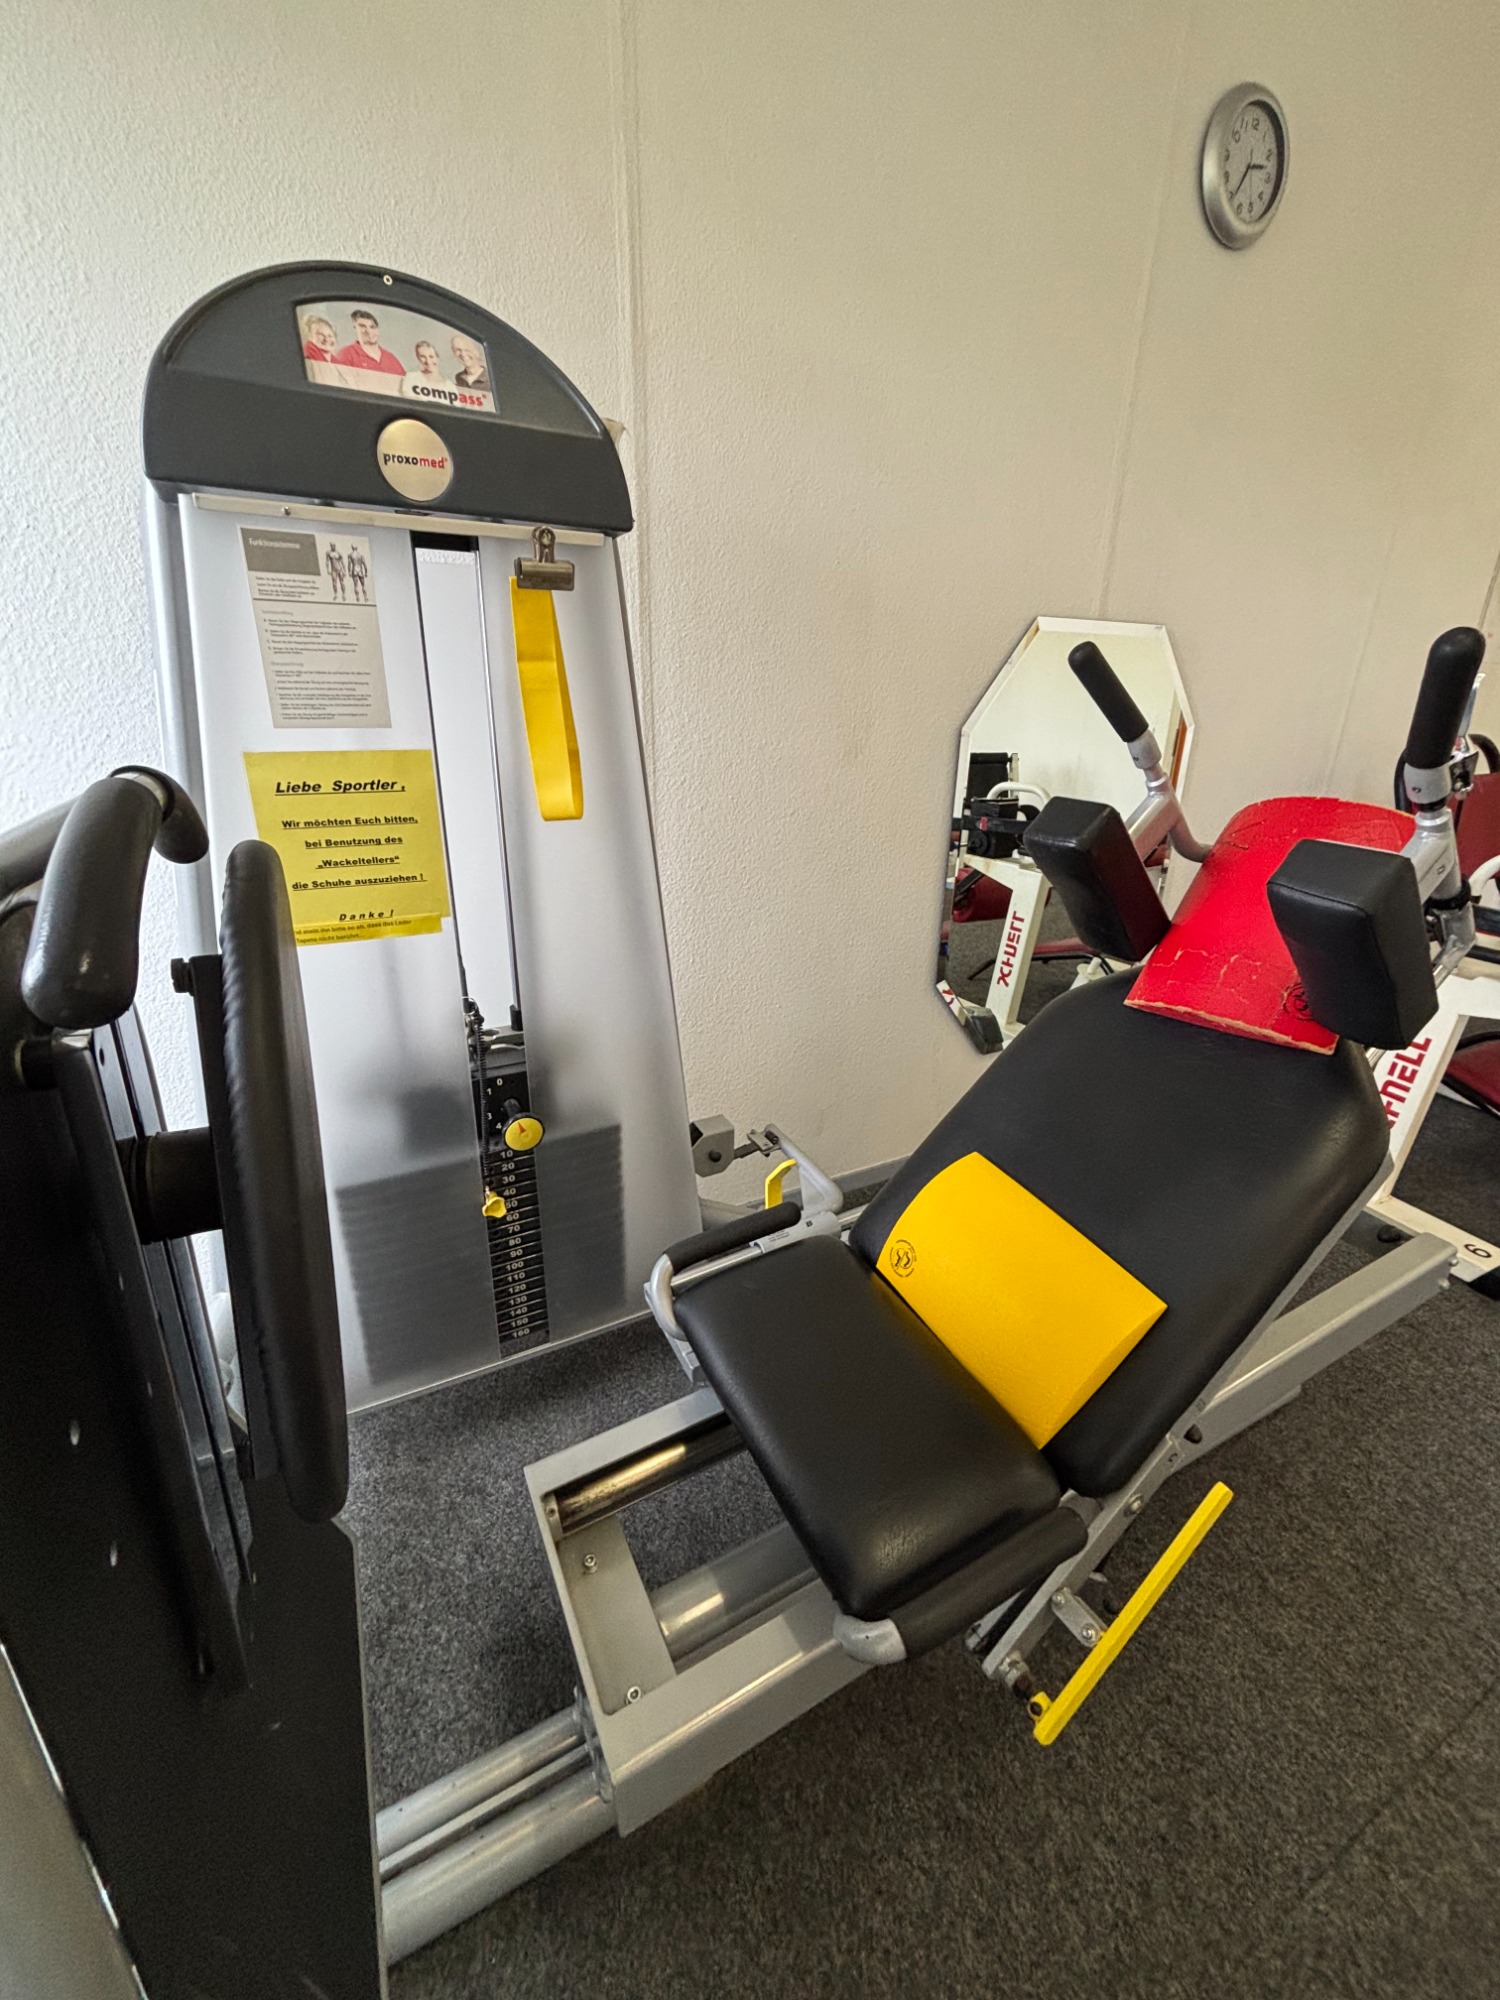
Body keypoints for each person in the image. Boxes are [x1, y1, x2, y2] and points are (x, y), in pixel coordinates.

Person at [331, 310, 407, 380]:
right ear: (355, 329)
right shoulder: (346, 354)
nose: (368, 331)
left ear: (378, 330)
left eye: (372, 327)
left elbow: (406, 385)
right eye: (362, 326)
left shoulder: (390, 358)